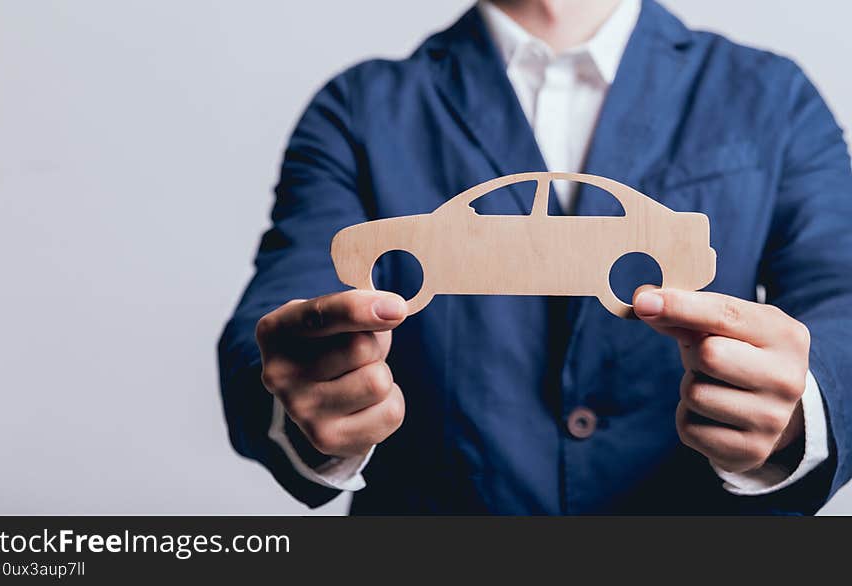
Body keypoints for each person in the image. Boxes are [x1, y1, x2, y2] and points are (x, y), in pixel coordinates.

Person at [218, 0, 852, 514]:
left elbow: (843, 298)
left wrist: (803, 403)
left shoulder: (772, 96)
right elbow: (275, 317)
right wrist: (302, 389)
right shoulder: (359, 109)